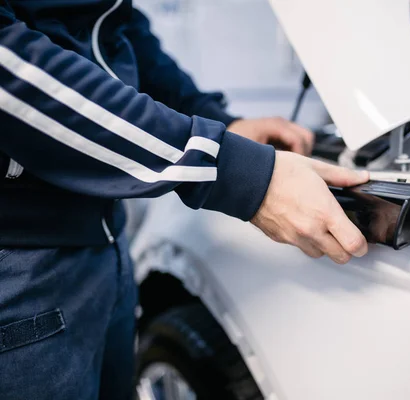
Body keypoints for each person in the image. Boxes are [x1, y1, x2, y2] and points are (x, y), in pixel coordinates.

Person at [0, 1, 369, 399]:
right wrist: (236, 172)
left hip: (103, 242)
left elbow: (110, 27)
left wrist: (214, 119)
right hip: (18, 264)